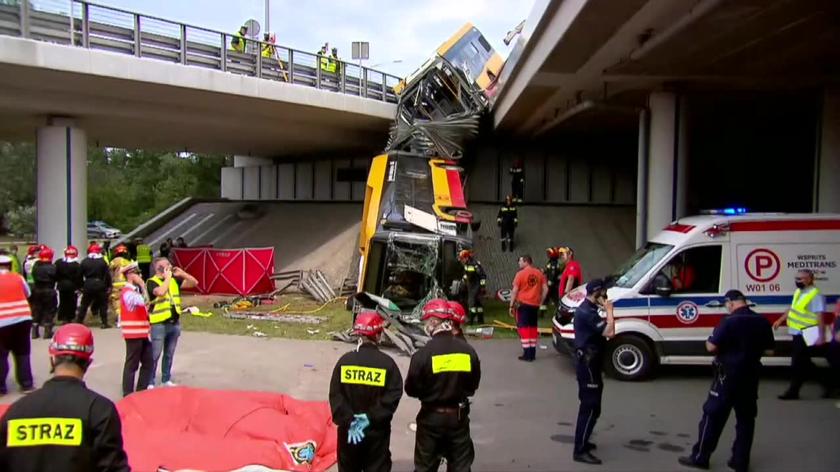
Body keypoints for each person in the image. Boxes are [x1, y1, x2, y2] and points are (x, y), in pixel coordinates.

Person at [0, 323, 130, 471]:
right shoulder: (99, 410)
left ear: (53, 359)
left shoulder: (16, 412)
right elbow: (112, 467)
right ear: (88, 363)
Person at [678, 290, 774, 472]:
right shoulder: (762, 321)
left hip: (727, 376)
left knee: (712, 416)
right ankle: (740, 462)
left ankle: (700, 457)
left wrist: (710, 340)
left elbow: (712, 346)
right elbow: (770, 351)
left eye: (726, 304)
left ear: (730, 303)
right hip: (750, 376)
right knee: (746, 420)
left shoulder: (728, 322)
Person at [405, 299, 481, 472]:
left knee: (425, 467)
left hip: (430, 419)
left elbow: (411, 389)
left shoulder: (422, 355)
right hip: (458, 419)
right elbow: (473, 385)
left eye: (426, 322)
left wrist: (430, 393)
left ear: (433, 322)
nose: (425, 326)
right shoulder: (468, 351)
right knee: (461, 467)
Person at [329, 309, 403, 472]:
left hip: (350, 432)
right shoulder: (388, 364)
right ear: (378, 335)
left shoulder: (345, 362)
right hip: (376, 433)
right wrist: (369, 417)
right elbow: (393, 396)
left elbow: (336, 396)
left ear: (358, 335)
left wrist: (350, 420)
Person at [571, 279, 615, 465]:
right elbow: (609, 332)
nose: (605, 297)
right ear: (596, 294)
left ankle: (584, 441)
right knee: (590, 406)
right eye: (603, 294)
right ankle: (579, 450)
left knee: (593, 407)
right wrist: (610, 311)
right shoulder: (587, 313)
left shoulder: (589, 309)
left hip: (591, 364)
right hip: (588, 365)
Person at [773, 269, 831, 399]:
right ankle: (829, 384)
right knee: (804, 363)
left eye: (801, 279)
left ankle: (793, 391)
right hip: (797, 332)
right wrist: (781, 319)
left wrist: (821, 336)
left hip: (808, 331)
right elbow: (793, 308)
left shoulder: (815, 294)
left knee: (797, 363)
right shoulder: (799, 291)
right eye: (796, 279)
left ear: (810, 279)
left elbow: (820, 315)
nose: (797, 281)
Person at [147, 257, 197, 387]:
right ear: (159, 268)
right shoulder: (152, 282)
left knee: (169, 354)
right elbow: (161, 292)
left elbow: (194, 283)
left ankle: (166, 379)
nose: (170, 265)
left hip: (174, 323)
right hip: (159, 324)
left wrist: (182, 274)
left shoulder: (174, 281)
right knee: (155, 354)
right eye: (167, 264)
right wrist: (168, 277)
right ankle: (149, 380)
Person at [0, 254, 35, 396]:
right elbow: (28, 293)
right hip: (23, 319)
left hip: (2, 321)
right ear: (9, 265)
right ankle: (26, 384)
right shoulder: (18, 277)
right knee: (22, 353)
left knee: (1, 355)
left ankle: (1, 388)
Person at [119, 263, 153, 397]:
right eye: (137, 274)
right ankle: (127, 393)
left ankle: (141, 391)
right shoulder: (128, 293)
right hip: (133, 334)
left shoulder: (134, 291)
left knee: (148, 362)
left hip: (142, 333)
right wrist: (143, 286)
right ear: (130, 275)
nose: (140, 276)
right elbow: (144, 301)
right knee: (132, 364)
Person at [510, 255, 548, 362]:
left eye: (520, 261)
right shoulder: (539, 273)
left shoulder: (520, 274)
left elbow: (515, 290)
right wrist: (541, 301)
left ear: (526, 261)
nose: (519, 263)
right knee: (532, 328)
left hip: (523, 304)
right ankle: (532, 353)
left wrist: (511, 305)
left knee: (524, 329)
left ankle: (527, 354)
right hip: (534, 305)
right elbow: (545, 289)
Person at [74, 244, 111, 328]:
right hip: (100, 284)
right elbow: (107, 275)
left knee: (84, 304)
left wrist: (80, 286)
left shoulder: (84, 261)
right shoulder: (102, 261)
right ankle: (104, 323)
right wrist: (108, 286)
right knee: (103, 304)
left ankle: (79, 321)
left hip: (88, 284)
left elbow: (79, 275)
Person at [30, 246, 58, 339]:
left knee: (37, 309)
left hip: (37, 290)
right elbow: (56, 278)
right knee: (49, 310)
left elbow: (33, 275)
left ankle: (34, 331)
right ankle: (47, 331)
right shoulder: (53, 267)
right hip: (49, 290)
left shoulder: (36, 267)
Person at [55, 246, 83, 325]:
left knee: (63, 301)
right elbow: (79, 277)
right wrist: (80, 287)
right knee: (72, 302)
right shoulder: (76, 265)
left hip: (62, 285)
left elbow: (56, 274)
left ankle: (63, 317)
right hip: (72, 286)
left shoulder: (59, 263)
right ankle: (69, 317)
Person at [458, 250, 486, 325]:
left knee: (471, 303)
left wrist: (482, 286)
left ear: (466, 258)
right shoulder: (468, 264)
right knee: (478, 303)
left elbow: (482, 275)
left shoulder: (473, 264)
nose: (461, 260)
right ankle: (480, 320)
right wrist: (463, 282)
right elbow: (467, 275)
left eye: (462, 259)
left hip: (475, 286)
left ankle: (471, 321)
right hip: (472, 286)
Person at [108, 244, 133, 325]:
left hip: (117, 284)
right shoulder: (129, 261)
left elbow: (109, 268)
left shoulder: (115, 260)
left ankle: (119, 319)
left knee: (116, 301)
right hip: (127, 284)